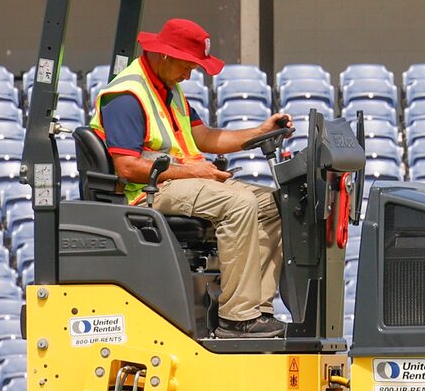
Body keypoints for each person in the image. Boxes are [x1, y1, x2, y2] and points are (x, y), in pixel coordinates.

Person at [91, 19, 292, 339]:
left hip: (183, 180)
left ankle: (257, 309)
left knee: (273, 203)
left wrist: (261, 131)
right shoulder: (126, 96)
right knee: (239, 202)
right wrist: (194, 171)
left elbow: (205, 138)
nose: (190, 75)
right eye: (188, 66)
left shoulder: (170, 90)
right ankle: (237, 318)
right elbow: (127, 168)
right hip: (148, 191)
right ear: (166, 56)